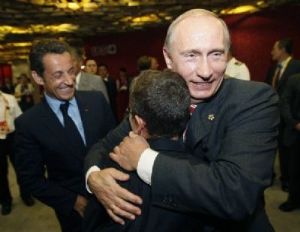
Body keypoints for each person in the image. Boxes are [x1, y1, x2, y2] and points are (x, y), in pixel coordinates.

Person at [85, 9, 279, 232]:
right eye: (191, 55)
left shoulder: (254, 99)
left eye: (216, 54)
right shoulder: (157, 94)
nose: (206, 71)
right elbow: (104, 145)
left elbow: (235, 194)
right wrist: (93, 177)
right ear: (168, 58)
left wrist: (144, 159)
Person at [14, 39, 115, 232]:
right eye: (58, 75)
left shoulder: (96, 101)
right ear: (38, 77)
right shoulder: (28, 124)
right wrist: (74, 202)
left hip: (114, 199)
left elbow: (113, 144)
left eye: (71, 71)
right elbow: (31, 179)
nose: (69, 81)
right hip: (74, 213)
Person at [83, 69, 203, 232]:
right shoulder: (204, 172)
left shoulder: (114, 179)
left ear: (139, 123)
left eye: (129, 113)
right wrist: (92, 174)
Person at [265, 38, 300, 192]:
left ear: (283, 50)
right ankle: (271, 175)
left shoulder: (297, 66)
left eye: (274, 49)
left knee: (288, 150)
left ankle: (288, 180)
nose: (272, 52)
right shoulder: (273, 69)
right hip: (273, 117)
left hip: (291, 119)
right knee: (272, 146)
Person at [0, 91, 35, 215]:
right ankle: (5, 201)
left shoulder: (10, 98)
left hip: (12, 137)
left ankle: (26, 194)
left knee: (21, 168)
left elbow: (19, 117)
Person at [278, 73, 300, 212]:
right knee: (295, 169)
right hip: (296, 133)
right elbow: (284, 103)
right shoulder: (295, 79)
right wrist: (295, 123)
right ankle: (294, 200)